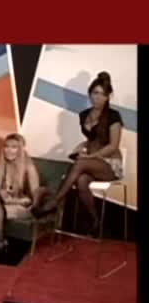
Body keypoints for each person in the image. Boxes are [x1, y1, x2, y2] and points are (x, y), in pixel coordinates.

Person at [32, 72, 124, 236]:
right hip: (92, 161)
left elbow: (113, 146)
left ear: (108, 97)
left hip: (110, 164)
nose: (98, 97)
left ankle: (54, 203)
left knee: (80, 163)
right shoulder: (83, 115)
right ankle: (96, 222)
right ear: (90, 94)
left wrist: (89, 157)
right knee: (81, 181)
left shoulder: (113, 116)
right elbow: (92, 138)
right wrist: (81, 147)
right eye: (95, 93)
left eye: (103, 94)